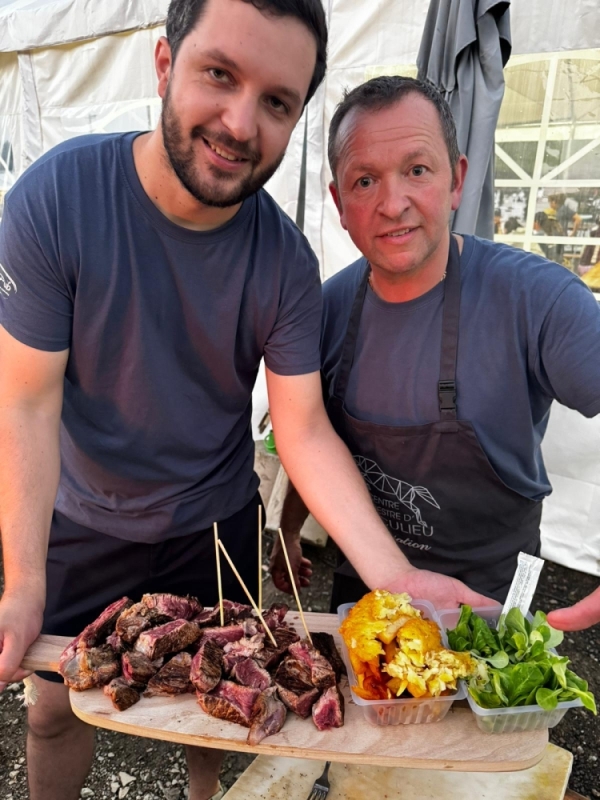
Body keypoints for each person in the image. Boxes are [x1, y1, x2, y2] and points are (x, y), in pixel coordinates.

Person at [0, 6, 495, 800]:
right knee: (57, 712)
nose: (239, 123)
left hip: (215, 523)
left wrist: (396, 577)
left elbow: (300, 427)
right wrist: (21, 584)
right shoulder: (55, 200)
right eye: (219, 75)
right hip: (82, 519)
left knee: (224, 710)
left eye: (276, 101)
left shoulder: (285, 261)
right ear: (165, 65)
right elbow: (24, 404)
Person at [273, 75, 600, 631]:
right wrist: (285, 532)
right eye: (365, 180)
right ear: (339, 203)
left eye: (417, 170)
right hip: (371, 589)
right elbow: (310, 432)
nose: (392, 203)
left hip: (489, 596)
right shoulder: (324, 310)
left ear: (457, 181)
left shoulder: (536, 300)